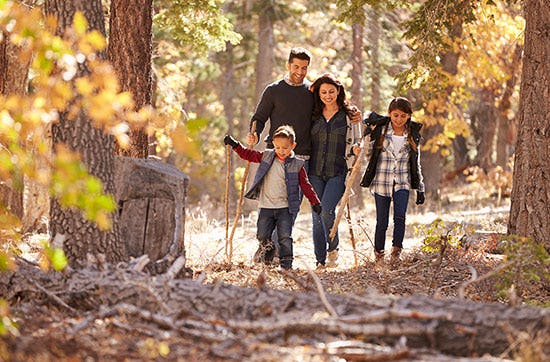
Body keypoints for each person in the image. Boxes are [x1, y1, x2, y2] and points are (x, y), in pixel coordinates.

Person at [247, 47, 361, 262]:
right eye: (296, 66)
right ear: (288, 65)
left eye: (304, 68)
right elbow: (259, 117)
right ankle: (266, 246)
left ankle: (275, 250)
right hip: (275, 156)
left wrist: (354, 113)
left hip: (303, 159)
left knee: (292, 207)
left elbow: (333, 106)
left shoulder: (311, 92)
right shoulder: (273, 90)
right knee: (272, 203)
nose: (300, 71)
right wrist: (254, 132)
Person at [224, 125, 322, 270]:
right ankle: (268, 252)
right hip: (266, 206)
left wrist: (314, 201)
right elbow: (248, 155)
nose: (281, 151)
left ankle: (286, 265)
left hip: (285, 208)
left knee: (284, 237)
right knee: (262, 234)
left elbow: (305, 185)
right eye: (277, 147)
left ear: (293, 146)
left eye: (285, 148)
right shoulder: (267, 156)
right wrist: (235, 145)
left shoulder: (297, 164)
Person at [360, 97, 425, 265]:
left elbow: (416, 163)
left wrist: (420, 188)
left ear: (409, 116)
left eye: (403, 116)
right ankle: (379, 254)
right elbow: (368, 154)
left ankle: (396, 252)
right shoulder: (381, 131)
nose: (399, 119)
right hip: (382, 181)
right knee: (382, 220)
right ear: (389, 114)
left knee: (400, 217)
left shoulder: (412, 135)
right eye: (395, 115)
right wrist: (366, 139)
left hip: (402, 181)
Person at [308, 73, 362, 268]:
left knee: (327, 211)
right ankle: (320, 260)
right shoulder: (313, 114)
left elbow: (358, 140)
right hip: (314, 172)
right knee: (316, 215)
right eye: (324, 92)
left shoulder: (349, 116)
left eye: (331, 91)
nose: (328, 95)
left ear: (338, 91)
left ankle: (333, 248)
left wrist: (357, 148)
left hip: (338, 172)